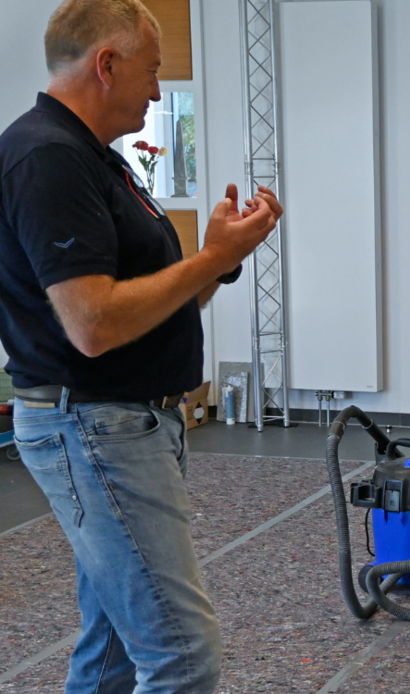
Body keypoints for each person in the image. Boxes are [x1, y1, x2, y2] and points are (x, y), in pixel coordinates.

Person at [0, 1, 282, 691]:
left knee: (113, 649)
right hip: (94, 424)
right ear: (107, 64)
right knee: (181, 654)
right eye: (152, 71)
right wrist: (211, 257)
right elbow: (93, 325)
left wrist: (219, 261)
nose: (157, 91)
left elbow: (149, 308)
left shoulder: (94, 159)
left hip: (123, 423)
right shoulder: (48, 157)